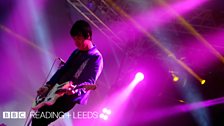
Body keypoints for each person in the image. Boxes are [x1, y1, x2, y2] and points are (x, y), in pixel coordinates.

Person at [31, 20, 103, 126]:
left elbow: (90, 82)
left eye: (78, 38)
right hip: (56, 90)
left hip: (68, 98)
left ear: (87, 35)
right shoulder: (77, 52)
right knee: (37, 119)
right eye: (74, 39)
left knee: (40, 120)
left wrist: (75, 91)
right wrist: (48, 85)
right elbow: (63, 70)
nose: (76, 42)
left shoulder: (96, 57)